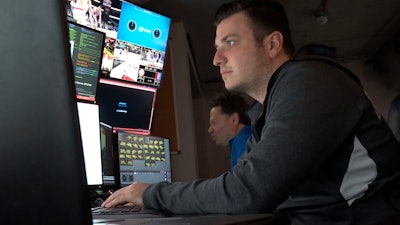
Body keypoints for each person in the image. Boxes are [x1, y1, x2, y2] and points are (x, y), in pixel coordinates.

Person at [102, 0, 400, 224]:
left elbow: (246, 193)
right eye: (217, 47)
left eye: (230, 42)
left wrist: (151, 193)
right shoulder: (268, 110)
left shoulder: (309, 81)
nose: (217, 59)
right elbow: (244, 188)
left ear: (272, 44)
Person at [208, 93, 252, 171]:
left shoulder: (244, 142)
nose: (210, 130)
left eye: (214, 123)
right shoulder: (247, 138)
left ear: (234, 119)